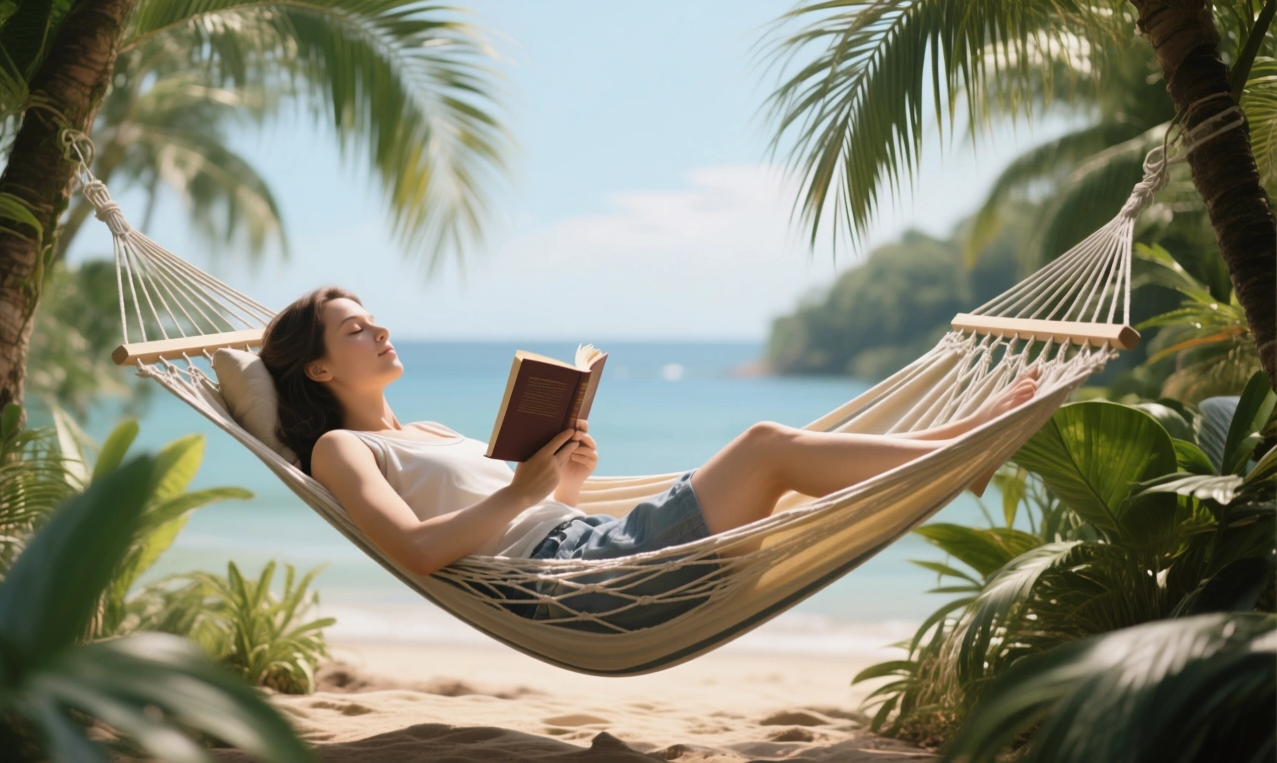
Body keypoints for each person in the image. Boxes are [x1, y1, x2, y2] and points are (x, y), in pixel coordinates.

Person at [258, 287, 1041, 630]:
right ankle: (963, 445)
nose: (381, 331)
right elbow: (417, 551)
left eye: (375, 320)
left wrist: (564, 478)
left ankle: (960, 448)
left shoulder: (426, 429)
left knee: (770, 451)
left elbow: (513, 521)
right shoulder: (340, 448)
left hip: (597, 551)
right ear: (318, 369)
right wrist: (523, 492)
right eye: (355, 330)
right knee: (766, 447)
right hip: (583, 587)